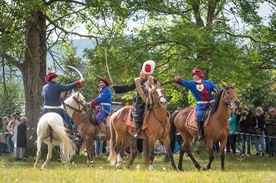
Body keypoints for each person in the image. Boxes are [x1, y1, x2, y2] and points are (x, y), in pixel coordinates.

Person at [113, 60, 159, 139]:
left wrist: (154, 88)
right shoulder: (137, 81)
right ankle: (137, 130)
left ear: (147, 74)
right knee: (138, 112)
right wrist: (117, 88)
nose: (141, 75)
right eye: (141, 74)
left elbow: (158, 86)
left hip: (152, 100)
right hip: (141, 101)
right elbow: (128, 87)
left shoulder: (153, 79)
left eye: (143, 74)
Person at [174, 68, 220, 140]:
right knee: (199, 115)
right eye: (193, 76)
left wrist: (216, 89)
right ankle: (200, 133)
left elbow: (215, 87)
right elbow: (184, 82)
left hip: (212, 103)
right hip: (201, 105)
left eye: (195, 75)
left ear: (200, 76)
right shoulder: (192, 84)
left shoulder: (208, 82)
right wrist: (178, 80)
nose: (194, 77)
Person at [41, 69, 85, 135]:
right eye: (56, 77)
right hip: (57, 109)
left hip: (46, 110)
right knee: (70, 120)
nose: (57, 78)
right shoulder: (58, 85)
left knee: (40, 121)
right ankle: (74, 134)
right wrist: (79, 82)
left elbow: (43, 96)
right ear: (53, 79)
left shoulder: (44, 87)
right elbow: (69, 86)